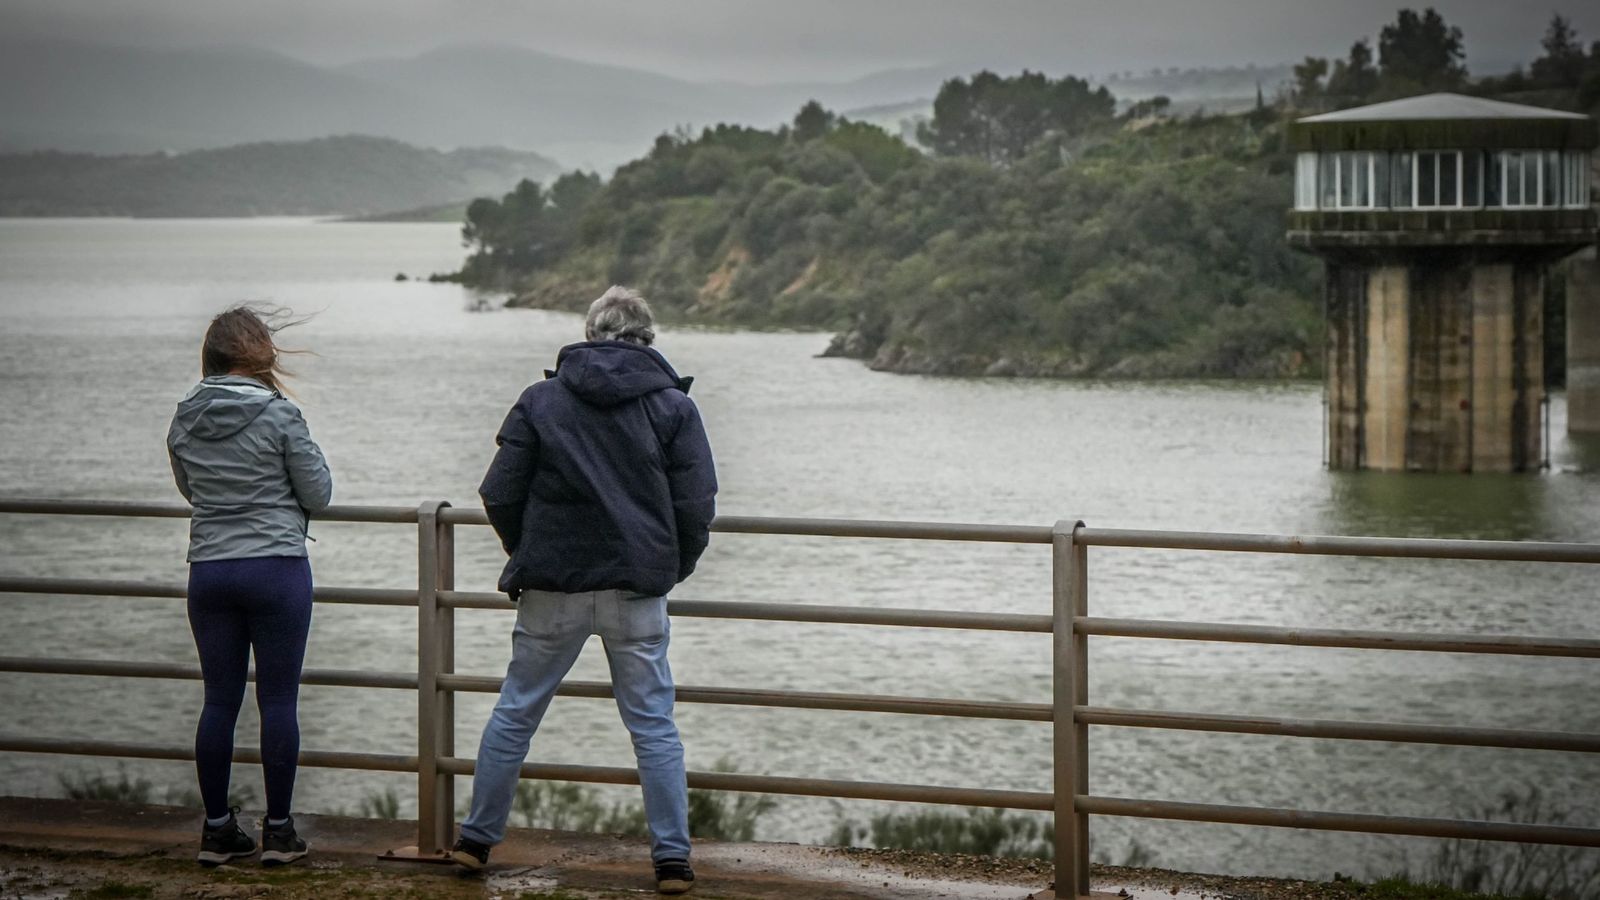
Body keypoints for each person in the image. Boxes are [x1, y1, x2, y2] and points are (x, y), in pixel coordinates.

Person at [452, 286, 717, 895]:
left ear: (589, 334)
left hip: (552, 586)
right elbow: (696, 505)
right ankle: (672, 860)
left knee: (516, 711)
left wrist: (529, 551)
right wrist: (669, 568)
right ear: (648, 341)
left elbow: (499, 492)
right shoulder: (673, 407)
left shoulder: (541, 400)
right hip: (636, 591)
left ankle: (474, 841)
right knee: (653, 725)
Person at [166, 306, 332, 867]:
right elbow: (319, 493)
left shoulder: (184, 416)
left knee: (218, 699)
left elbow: (191, 489)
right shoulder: (282, 415)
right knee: (278, 699)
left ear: (210, 358)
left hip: (210, 569)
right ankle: (279, 834)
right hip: (275, 568)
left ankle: (217, 831)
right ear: (259, 355)